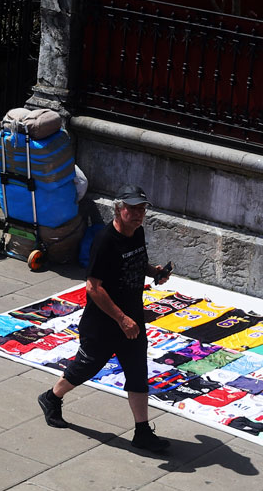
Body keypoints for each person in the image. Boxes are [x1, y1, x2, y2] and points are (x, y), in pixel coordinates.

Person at [38, 184, 173, 453]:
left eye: (142, 209)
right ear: (119, 209)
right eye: (133, 209)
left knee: (137, 372)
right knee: (86, 368)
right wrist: (122, 319)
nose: (138, 215)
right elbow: (93, 287)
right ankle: (51, 397)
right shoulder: (105, 241)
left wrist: (153, 271)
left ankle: (143, 432)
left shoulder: (137, 233)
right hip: (104, 323)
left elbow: (135, 261)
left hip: (132, 319)